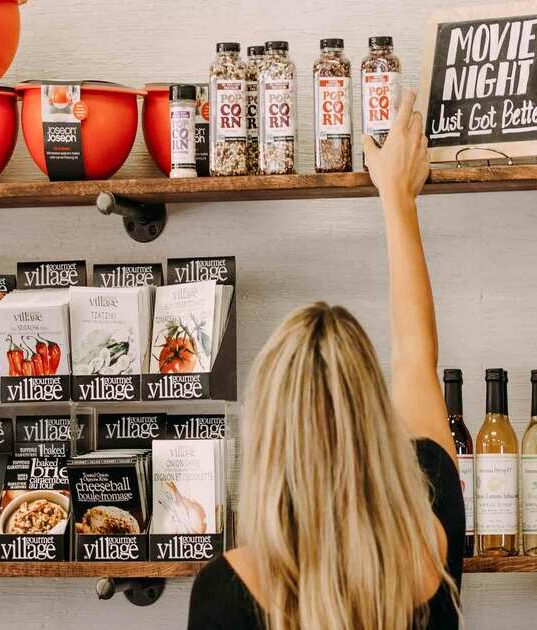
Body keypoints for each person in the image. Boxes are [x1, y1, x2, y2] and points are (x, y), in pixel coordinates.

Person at [188, 90, 463, 630]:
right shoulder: (429, 545)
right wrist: (397, 198)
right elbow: (415, 361)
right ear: (374, 417)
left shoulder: (227, 589)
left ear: (267, 436)